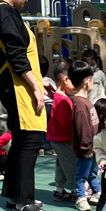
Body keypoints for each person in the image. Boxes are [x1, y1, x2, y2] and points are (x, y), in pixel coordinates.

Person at [0, 0, 48, 211]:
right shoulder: (5, 12)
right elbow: (16, 55)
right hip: (17, 85)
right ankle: (24, 201)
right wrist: (36, 87)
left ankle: (14, 193)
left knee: (21, 140)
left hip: (12, 83)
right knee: (29, 141)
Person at [70, 59, 101, 211]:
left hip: (92, 147)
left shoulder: (84, 101)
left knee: (92, 172)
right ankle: (81, 197)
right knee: (82, 174)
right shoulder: (80, 104)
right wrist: (86, 147)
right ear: (88, 81)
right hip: (86, 149)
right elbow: (82, 128)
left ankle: (96, 192)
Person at [46, 57, 77, 202]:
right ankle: (76, 190)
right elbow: (66, 124)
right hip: (64, 139)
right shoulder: (63, 100)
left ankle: (59, 189)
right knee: (71, 164)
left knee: (61, 163)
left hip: (56, 138)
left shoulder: (57, 97)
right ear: (66, 79)